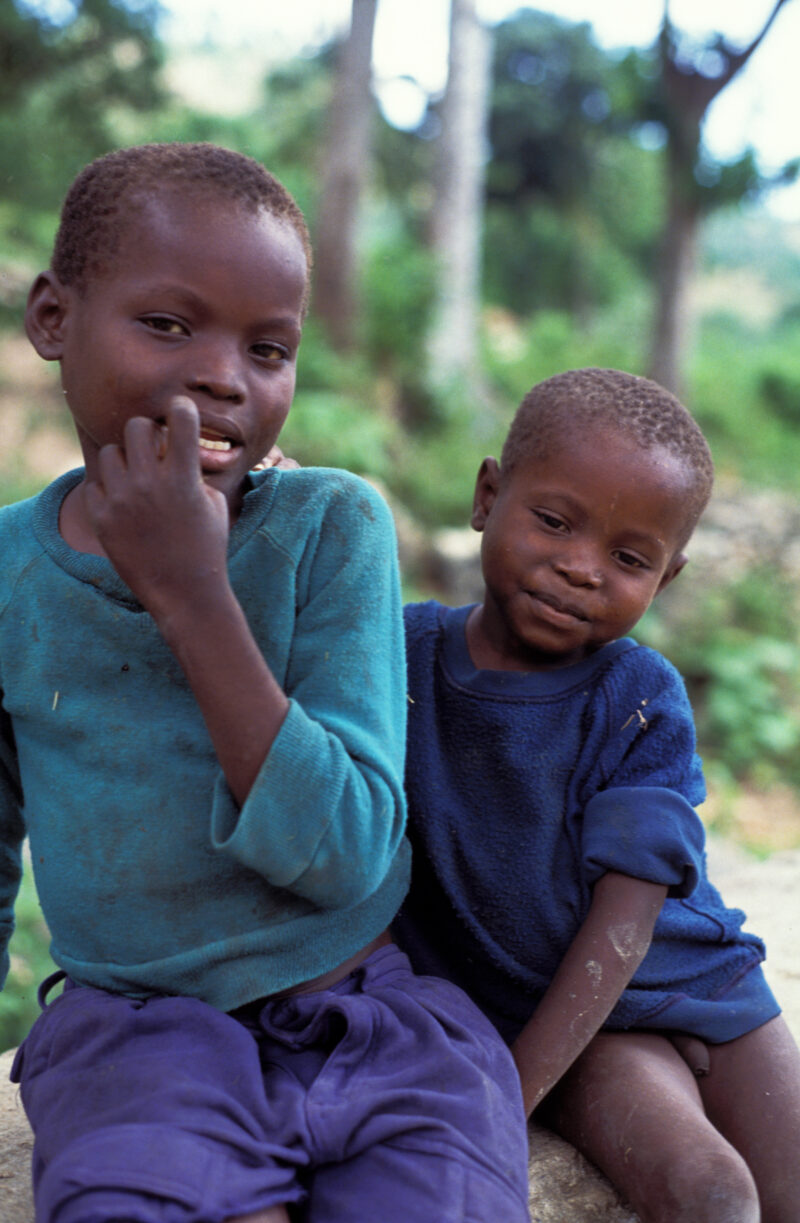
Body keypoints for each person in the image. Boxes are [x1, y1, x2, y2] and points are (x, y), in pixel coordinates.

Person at [0, 142, 531, 1223]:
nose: (223, 377)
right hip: (135, 1032)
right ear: (53, 317)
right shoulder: (10, 574)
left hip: (367, 1021)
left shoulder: (332, 529)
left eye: (269, 347)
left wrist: (193, 597)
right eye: (166, 324)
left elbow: (343, 852)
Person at [394, 367, 800, 1223]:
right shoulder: (396, 661)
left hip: (701, 982)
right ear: (486, 496)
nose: (581, 569)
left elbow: (628, 921)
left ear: (669, 577)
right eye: (553, 521)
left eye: (628, 558)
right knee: (714, 1196)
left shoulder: (638, 694)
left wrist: (506, 1094)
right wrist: (515, 1087)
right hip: (573, 1018)